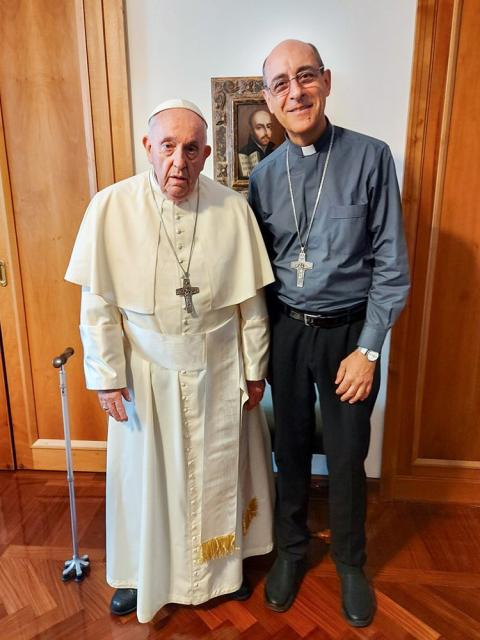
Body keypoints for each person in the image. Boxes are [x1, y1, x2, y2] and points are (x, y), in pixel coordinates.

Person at [65, 98, 275, 623]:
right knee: (147, 478)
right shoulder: (109, 208)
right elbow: (98, 307)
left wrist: (255, 371)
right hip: (146, 373)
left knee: (222, 472)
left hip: (220, 368)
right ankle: (141, 574)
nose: (177, 162)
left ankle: (223, 571)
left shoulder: (232, 209)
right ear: (147, 148)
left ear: (205, 153)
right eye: (166, 147)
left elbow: (251, 305)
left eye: (189, 149)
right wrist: (107, 378)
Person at [248, 40, 410, 627]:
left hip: (349, 335)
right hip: (288, 331)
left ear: (327, 81)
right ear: (267, 97)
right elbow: (258, 275)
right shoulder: (263, 177)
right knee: (287, 447)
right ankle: (292, 552)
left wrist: (370, 349)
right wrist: (258, 356)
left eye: (306, 76)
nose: (296, 91)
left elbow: (391, 267)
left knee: (345, 456)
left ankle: (349, 562)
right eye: (281, 83)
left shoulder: (371, 157)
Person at [238, 109, 276, 178]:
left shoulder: (275, 152)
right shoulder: (243, 155)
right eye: (259, 127)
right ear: (251, 131)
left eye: (268, 126)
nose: (266, 133)